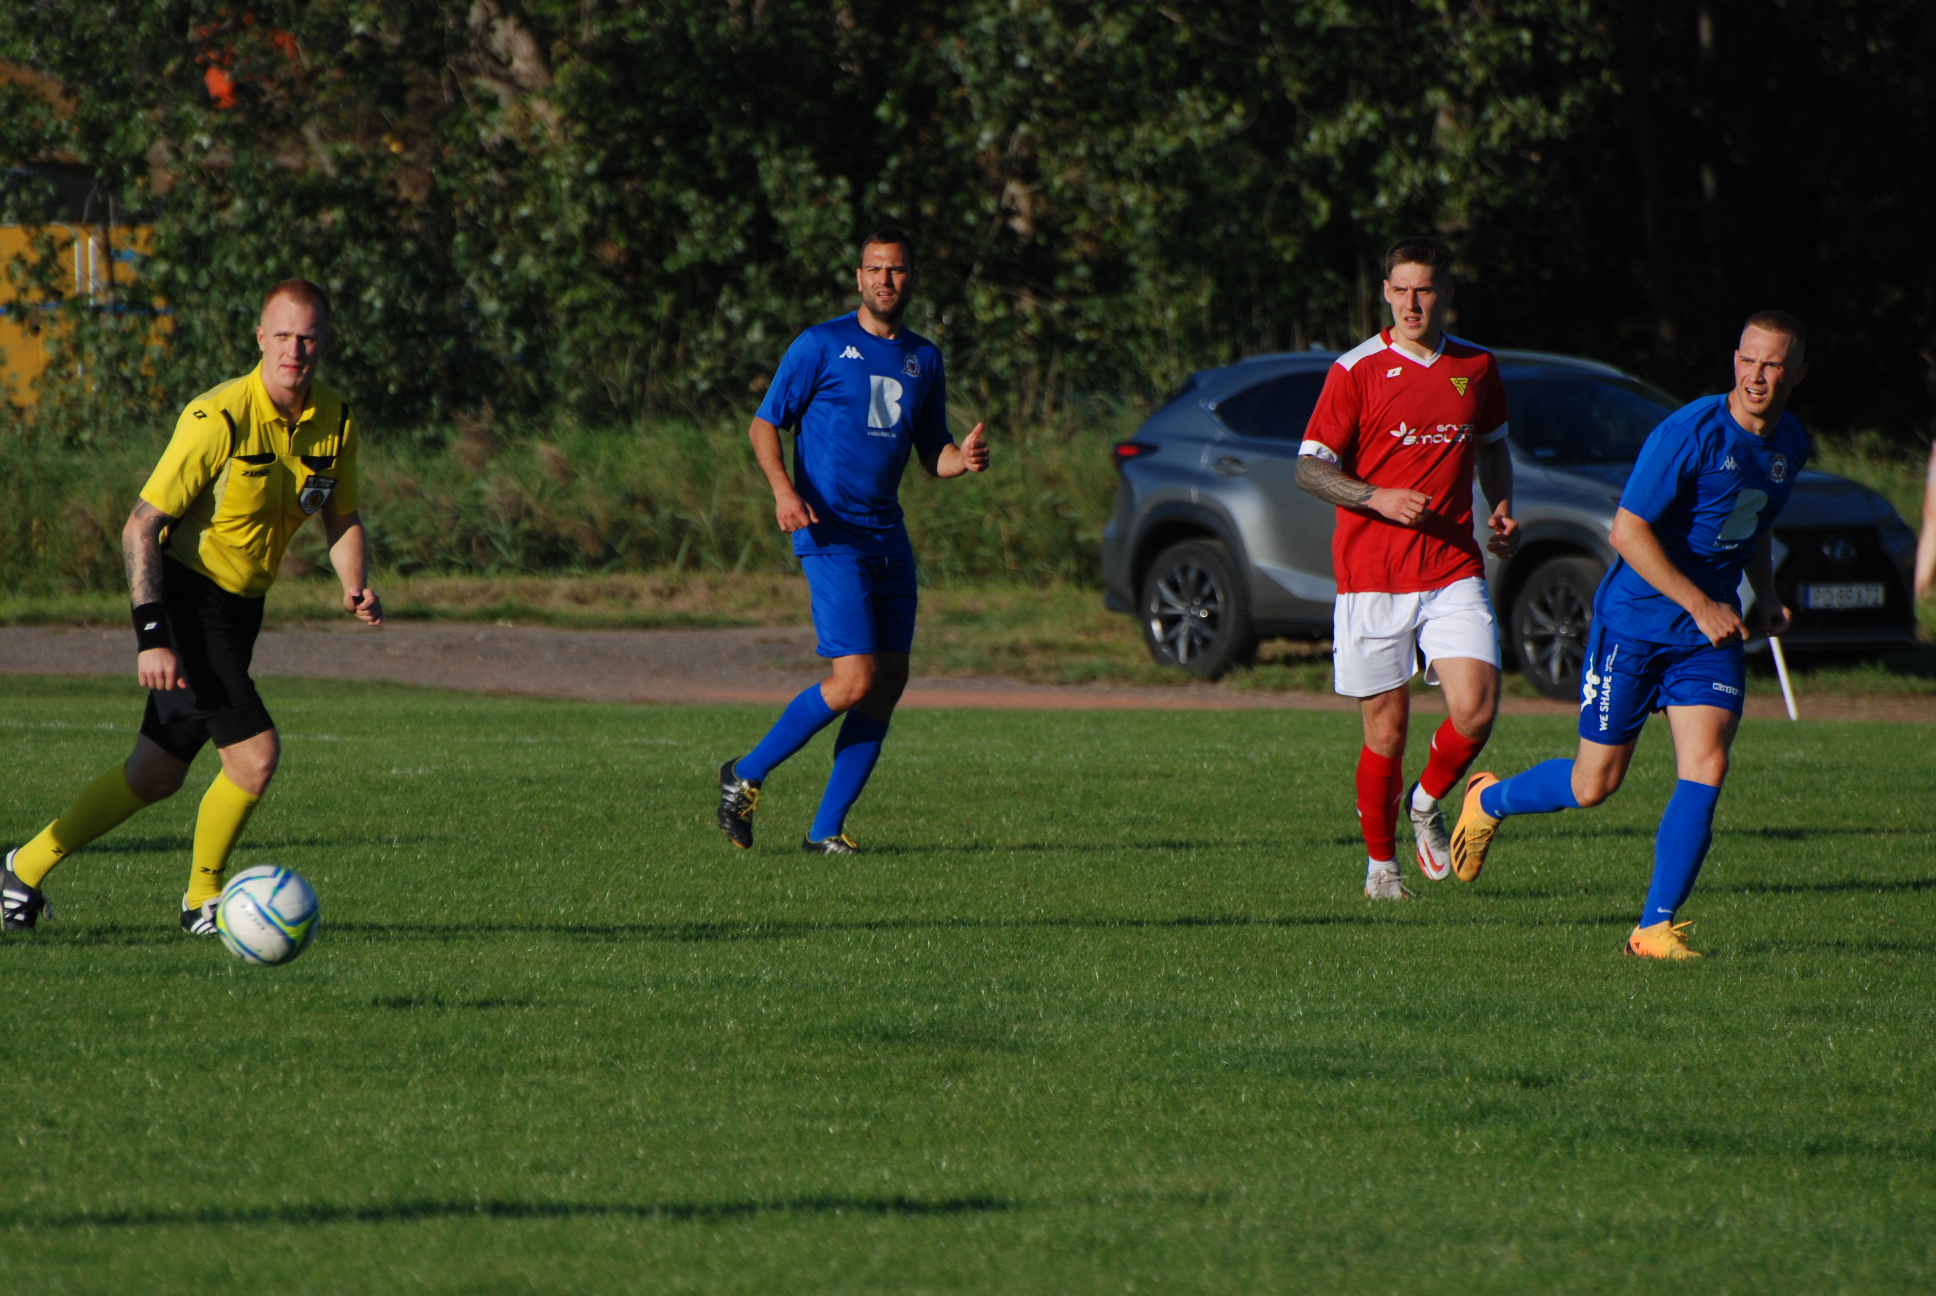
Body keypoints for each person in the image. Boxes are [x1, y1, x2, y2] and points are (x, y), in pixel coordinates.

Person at [1, 279, 382, 935]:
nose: (294, 350)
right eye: (282, 335)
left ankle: (20, 870)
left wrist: (355, 582)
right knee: (254, 758)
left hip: (241, 608)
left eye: (307, 337)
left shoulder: (336, 420)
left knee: (154, 774)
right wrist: (152, 635)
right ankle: (204, 900)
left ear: (325, 342)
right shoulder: (218, 417)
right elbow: (141, 526)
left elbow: (341, 516)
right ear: (259, 338)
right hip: (187, 602)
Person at [1450, 312, 1812, 960]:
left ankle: (1653, 927)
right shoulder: (1689, 433)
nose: (1757, 375)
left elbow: (1752, 524)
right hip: (1636, 626)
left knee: (1707, 764)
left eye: (1773, 364)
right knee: (1594, 785)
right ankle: (1489, 800)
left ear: (1798, 373)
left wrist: (1764, 595)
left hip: (1706, 637)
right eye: (1748, 359)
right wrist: (1700, 603)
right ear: (1734, 360)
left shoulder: (1791, 444)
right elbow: (1627, 532)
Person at [717, 228, 989, 853]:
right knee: (854, 679)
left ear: (910, 278)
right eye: (875, 269)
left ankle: (825, 832)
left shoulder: (924, 358)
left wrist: (964, 460)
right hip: (829, 532)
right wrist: (784, 492)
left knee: (888, 681)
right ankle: (745, 774)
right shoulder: (820, 344)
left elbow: (934, 452)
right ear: (859, 277)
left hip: (888, 538)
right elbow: (763, 425)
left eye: (896, 269)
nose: (884, 280)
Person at [1295, 237, 1518, 900]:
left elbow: (1492, 448)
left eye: (1425, 289)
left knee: (1476, 709)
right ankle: (1381, 869)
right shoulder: (1355, 370)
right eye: (1401, 290)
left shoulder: (1476, 365)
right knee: (1386, 732)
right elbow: (1308, 469)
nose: (1412, 303)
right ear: (1386, 293)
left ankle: (1426, 800)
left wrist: (1502, 508)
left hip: (1452, 567)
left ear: (1446, 293)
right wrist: (1376, 497)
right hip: (1371, 574)